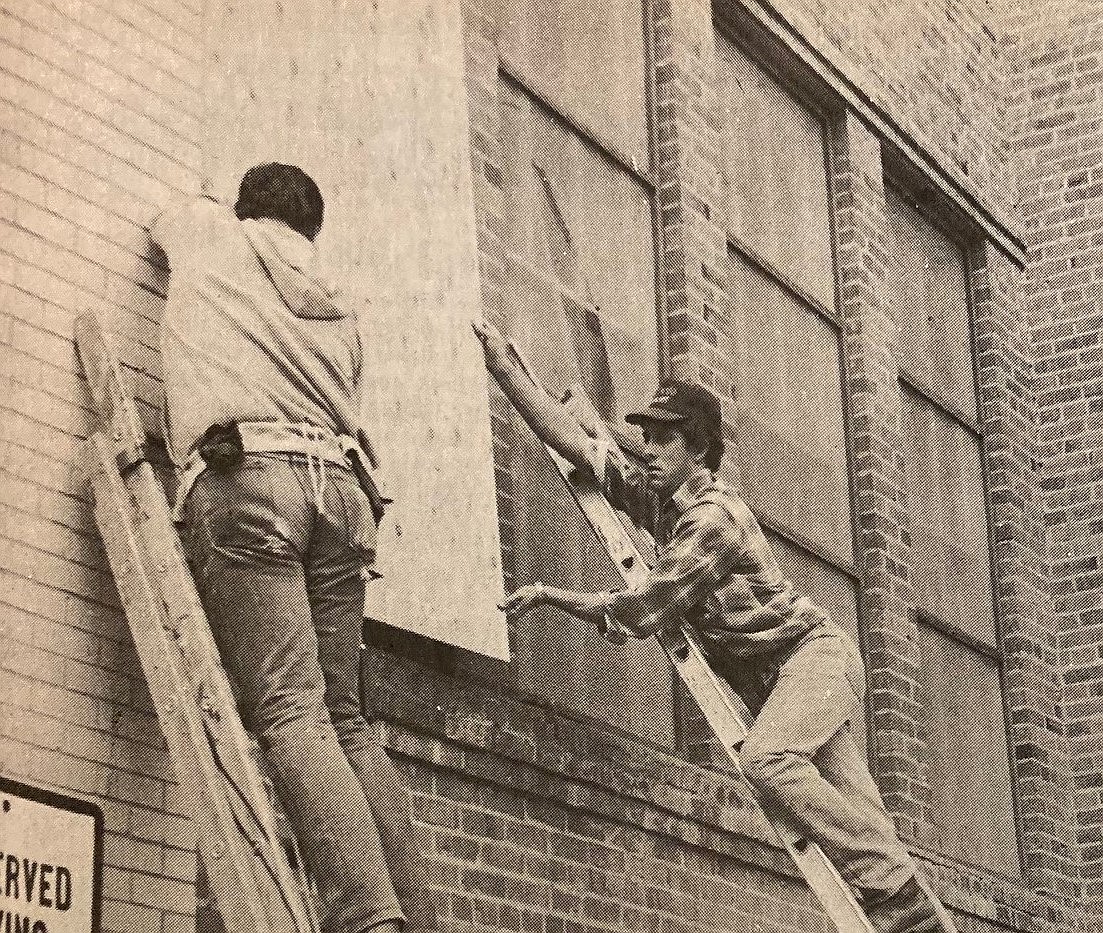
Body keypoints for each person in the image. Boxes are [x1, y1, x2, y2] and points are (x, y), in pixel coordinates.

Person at [474, 319, 953, 933]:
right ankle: (922, 920)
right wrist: (504, 364)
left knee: (771, 766)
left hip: (810, 658)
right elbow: (572, 440)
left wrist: (553, 597)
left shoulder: (710, 519)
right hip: (779, 675)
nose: (644, 448)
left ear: (697, 450)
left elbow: (644, 610)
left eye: (661, 438)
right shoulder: (661, 498)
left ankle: (903, 902)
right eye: (642, 435)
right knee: (861, 821)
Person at [152, 164, 434, 933]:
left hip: (253, 480)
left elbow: (167, 216)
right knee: (344, 720)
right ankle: (414, 916)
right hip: (342, 493)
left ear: (248, 211)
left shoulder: (215, 241)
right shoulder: (340, 300)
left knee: (288, 709)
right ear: (313, 230)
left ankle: (368, 918)